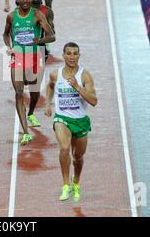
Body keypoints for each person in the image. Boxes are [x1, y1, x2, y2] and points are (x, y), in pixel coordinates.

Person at [44, 42, 98, 202]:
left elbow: (94, 101)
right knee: (65, 148)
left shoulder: (85, 76)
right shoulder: (56, 74)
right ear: (63, 55)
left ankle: (76, 182)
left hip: (80, 121)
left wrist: (77, 87)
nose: (72, 57)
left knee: (78, 157)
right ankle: (66, 184)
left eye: (75, 53)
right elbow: (50, 86)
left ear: (79, 56)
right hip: (62, 118)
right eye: (69, 53)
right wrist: (48, 103)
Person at [3, 0, 55, 144]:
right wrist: (9, 46)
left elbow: (52, 36)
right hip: (18, 56)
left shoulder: (38, 15)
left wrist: (38, 41)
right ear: (17, 0)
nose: (25, 1)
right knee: (19, 92)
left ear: (31, 0)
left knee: (34, 90)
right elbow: (5, 34)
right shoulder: (12, 16)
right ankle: (26, 132)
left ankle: (31, 111)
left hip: (34, 57)